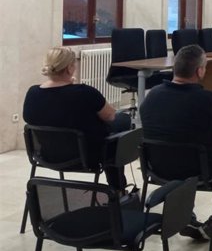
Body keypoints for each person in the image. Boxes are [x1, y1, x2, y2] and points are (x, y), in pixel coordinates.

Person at [139, 45, 212, 241]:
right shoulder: (209, 100)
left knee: (181, 153)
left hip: (158, 170)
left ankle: (187, 218)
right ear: (200, 71)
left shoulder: (152, 96)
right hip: (203, 173)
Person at [23, 46, 131, 192]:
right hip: (86, 157)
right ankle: (117, 189)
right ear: (69, 68)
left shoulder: (32, 93)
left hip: (46, 155)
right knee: (123, 121)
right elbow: (110, 116)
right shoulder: (85, 93)